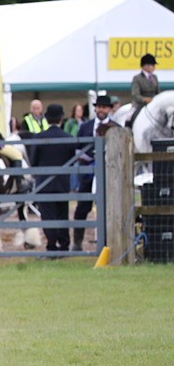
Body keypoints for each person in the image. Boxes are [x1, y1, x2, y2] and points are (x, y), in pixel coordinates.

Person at [29, 104, 78, 253]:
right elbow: (72, 159)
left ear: (46, 117)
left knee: (48, 216)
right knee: (62, 214)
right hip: (62, 182)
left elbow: (33, 161)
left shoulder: (38, 137)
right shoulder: (69, 138)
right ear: (62, 118)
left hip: (44, 182)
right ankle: (64, 244)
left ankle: (51, 245)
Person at [72, 95, 115, 250]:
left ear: (109, 109)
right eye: (99, 107)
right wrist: (88, 159)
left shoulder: (115, 127)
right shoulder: (85, 127)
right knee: (82, 208)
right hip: (88, 173)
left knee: (109, 207)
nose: (101, 110)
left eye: (104, 107)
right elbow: (77, 148)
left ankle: (109, 242)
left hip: (108, 174)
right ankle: (77, 242)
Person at [129, 54, 159, 127]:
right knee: (129, 117)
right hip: (140, 104)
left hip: (153, 103)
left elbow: (158, 92)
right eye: (153, 65)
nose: (154, 67)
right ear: (146, 66)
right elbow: (135, 95)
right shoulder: (137, 78)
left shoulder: (154, 77)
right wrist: (145, 99)